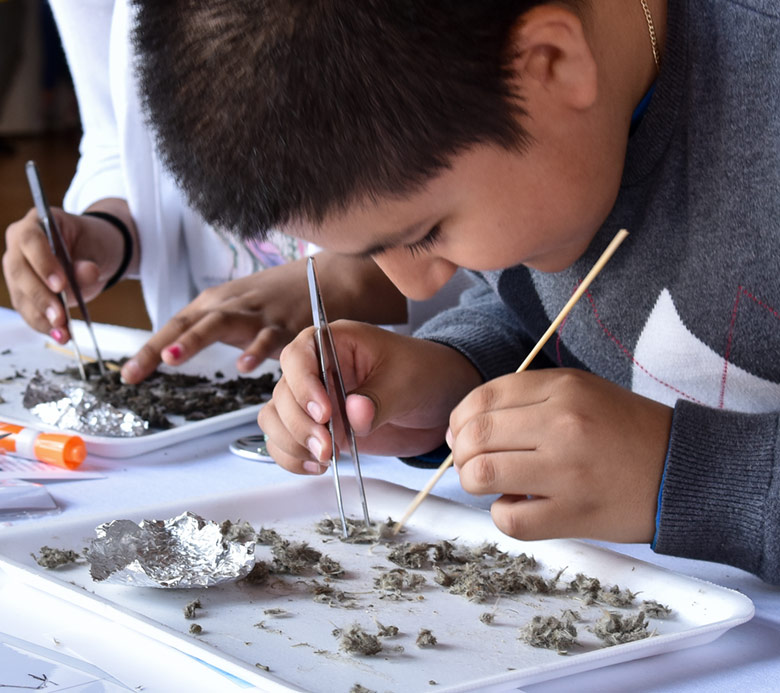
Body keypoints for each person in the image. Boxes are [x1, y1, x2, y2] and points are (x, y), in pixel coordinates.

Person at [128, 0, 780, 585]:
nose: (416, 284)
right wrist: (451, 378)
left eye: (426, 232)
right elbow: (558, 311)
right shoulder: (528, 144)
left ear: (551, 63)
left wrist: (693, 476)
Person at [2, 0, 469, 385]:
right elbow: (115, 136)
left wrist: (356, 278)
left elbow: (475, 160)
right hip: (216, 371)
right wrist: (107, 231)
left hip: (418, 370)